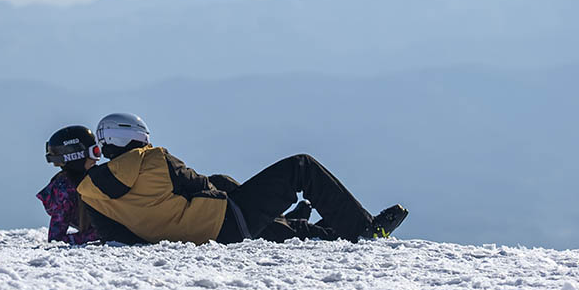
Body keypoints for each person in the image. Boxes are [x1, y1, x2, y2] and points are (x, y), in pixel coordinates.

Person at [76, 113, 407, 245]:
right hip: (223, 226)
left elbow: (117, 238)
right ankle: (364, 230)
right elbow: (199, 186)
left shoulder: (90, 192)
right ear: (137, 139)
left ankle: (302, 227)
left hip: (189, 235)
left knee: (222, 182)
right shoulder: (155, 159)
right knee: (301, 167)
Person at [36, 125, 102, 244]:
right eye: (94, 152)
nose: (97, 159)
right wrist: (97, 234)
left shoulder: (95, 177)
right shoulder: (64, 191)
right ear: (77, 156)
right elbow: (56, 239)